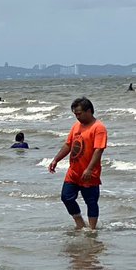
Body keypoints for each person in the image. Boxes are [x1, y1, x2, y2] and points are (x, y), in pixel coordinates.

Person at [48, 96, 107, 230]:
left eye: (79, 113)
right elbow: (68, 145)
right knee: (66, 197)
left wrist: (90, 169)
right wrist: (56, 160)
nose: (77, 117)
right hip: (73, 171)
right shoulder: (76, 126)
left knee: (91, 202)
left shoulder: (98, 128)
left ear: (89, 111)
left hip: (89, 172)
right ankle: (80, 223)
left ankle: (92, 230)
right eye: (75, 114)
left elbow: (99, 150)